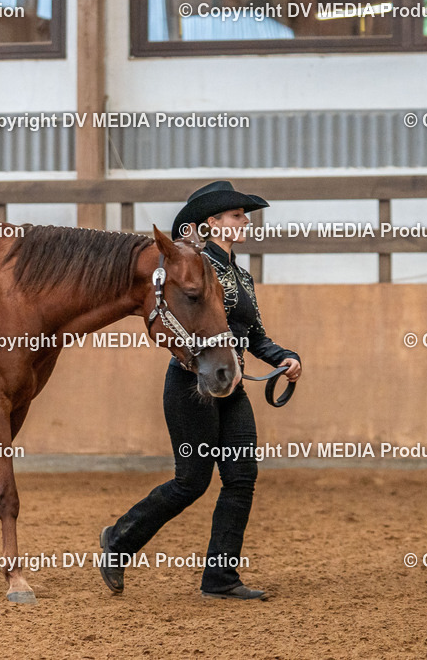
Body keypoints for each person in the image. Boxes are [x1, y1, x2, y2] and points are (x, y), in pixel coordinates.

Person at [99, 181, 302, 600]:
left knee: (242, 477)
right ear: (212, 223)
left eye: (244, 215)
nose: (245, 221)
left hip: (233, 385)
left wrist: (283, 356)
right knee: (191, 482)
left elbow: (253, 334)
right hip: (192, 385)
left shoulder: (241, 275)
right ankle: (119, 541)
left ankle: (220, 578)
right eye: (237, 215)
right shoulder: (195, 267)